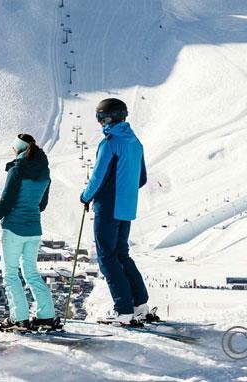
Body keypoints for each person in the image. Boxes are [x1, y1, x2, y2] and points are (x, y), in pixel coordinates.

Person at [80, 98, 153, 326]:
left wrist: (85, 196)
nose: (100, 123)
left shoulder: (110, 143)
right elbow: (141, 178)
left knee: (107, 258)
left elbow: (98, 177)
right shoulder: (135, 142)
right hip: (126, 207)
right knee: (122, 254)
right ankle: (140, 305)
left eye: (101, 118)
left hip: (108, 206)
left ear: (108, 118)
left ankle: (123, 311)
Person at [0, 134, 60, 332]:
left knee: (11, 274)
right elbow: (42, 205)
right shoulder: (45, 171)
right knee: (31, 272)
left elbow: (6, 202)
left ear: (19, 149)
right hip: (34, 229)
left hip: (14, 228)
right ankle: (46, 315)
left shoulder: (17, 169)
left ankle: (19, 318)